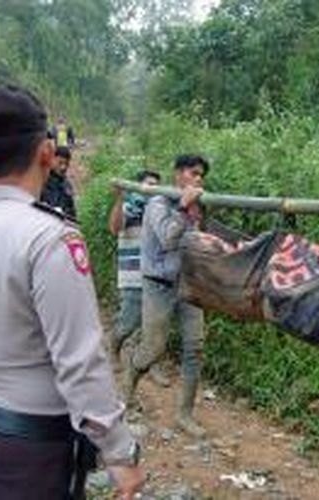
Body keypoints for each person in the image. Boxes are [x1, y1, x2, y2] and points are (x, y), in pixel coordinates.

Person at [0, 86, 146, 499]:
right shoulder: (50, 239)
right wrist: (119, 453)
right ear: (45, 153)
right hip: (25, 459)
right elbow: (79, 361)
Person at [123, 154, 208, 438]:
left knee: (194, 348)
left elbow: (197, 241)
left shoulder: (196, 206)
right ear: (178, 174)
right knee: (153, 348)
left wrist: (195, 217)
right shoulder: (157, 204)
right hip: (158, 284)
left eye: (201, 175)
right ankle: (128, 388)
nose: (198, 180)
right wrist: (184, 211)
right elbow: (168, 239)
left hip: (188, 285)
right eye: (194, 174)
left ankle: (184, 414)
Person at [108, 169, 171, 388]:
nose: (152, 190)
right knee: (129, 322)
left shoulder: (162, 212)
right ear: (138, 187)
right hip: (132, 274)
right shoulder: (129, 208)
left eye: (156, 186)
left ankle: (152, 366)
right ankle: (114, 345)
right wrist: (118, 199)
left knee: (154, 326)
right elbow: (114, 228)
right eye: (148, 185)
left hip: (155, 276)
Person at [40, 146, 76, 219]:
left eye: (66, 164)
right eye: (60, 163)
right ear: (51, 160)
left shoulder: (66, 185)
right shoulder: (41, 182)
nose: (63, 167)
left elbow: (71, 211)